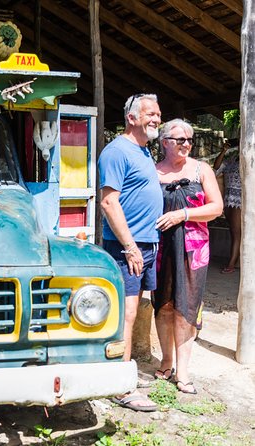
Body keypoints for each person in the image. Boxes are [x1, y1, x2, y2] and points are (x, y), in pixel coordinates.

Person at [98, 93, 163, 412]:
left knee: (135, 310)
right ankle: (120, 386)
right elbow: (109, 202)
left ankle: (121, 372)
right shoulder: (116, 151)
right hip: (128, 246)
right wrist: (130, 246)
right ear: (132, 117)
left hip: (145, 243)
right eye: (151, 113)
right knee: (125, 313)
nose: (157, 119)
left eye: (158, 114)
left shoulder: (144, 151)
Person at [154, 119, 223, 395]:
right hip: (161, 248)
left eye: (189, 140)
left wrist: (183, 214)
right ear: (164, 142)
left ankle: (183, 371)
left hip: (194, 249)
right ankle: (166, 360)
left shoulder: (201, 170)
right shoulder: (152, 171)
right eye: (180, 139)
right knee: (163, 303)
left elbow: (216, 207)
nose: (186, 144)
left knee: (187, 306)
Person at [213, 139, 241, 274]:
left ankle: (231, 264)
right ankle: (234, 260)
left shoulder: (250, 159)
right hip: (228, 199)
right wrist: (224, 150)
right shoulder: (232, 159)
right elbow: (217, 167)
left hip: (239, 200)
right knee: (233, 232)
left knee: (237, 233)